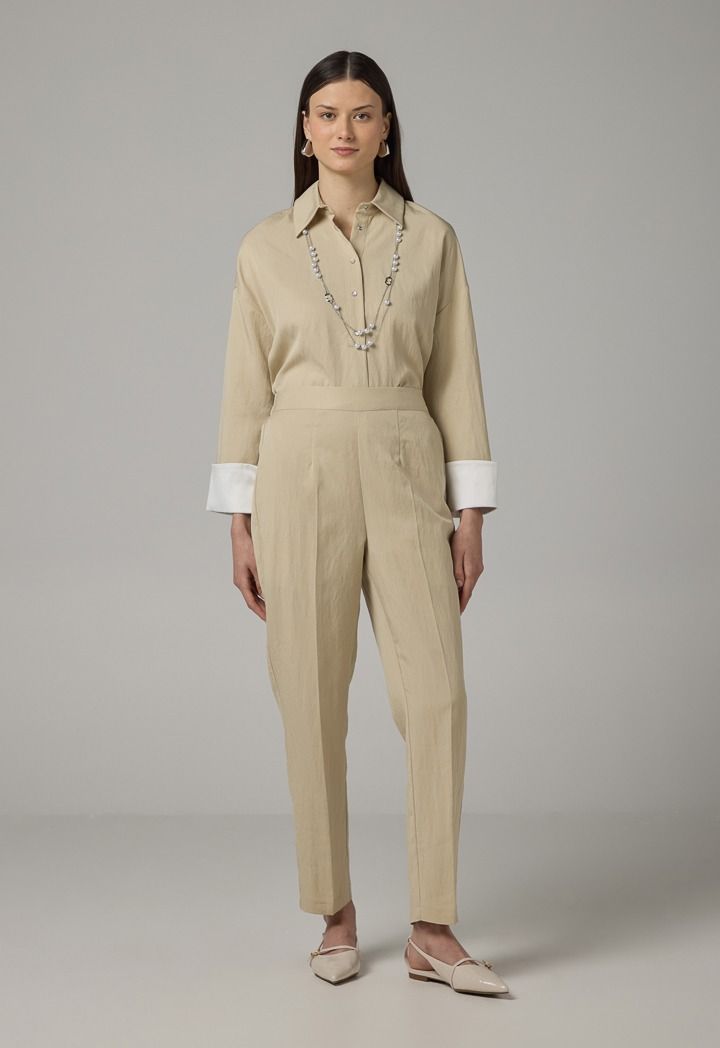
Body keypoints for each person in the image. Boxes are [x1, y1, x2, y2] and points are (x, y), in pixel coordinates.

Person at [206, 50, 509, 996]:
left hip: (407, 464)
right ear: (305, 131)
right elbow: (244, 388)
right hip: (297, 473)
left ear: (387, 130)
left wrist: (471, 510)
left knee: (438, 698)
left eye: (363, 113)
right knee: (310, 695)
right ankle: (333, 911)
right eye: (327, 113)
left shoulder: (434, 239)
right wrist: (239, 519)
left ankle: (432, 927)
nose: (344, 129)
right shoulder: (264, 247)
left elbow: (456, 376)